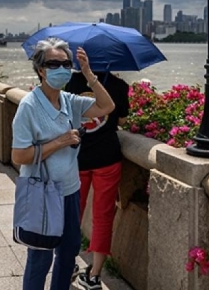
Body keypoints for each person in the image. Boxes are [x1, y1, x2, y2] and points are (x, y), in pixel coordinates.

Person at [12, 37, 115, 290]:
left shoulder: (69, 101)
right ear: (40, 70)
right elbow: (19, 156)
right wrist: (59, 142)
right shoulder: (29, 106)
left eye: (66, 64)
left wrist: (89, 74)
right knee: (40, 257)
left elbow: (106, 106)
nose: (61, 69)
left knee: (68, 253)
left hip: (69, 189)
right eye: (53, 64)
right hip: (42, 192)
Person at [65, 70, 130, 290]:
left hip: (77, 158)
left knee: (73, 212)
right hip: (108, 158)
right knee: (103, 217)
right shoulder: (119, 85)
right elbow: (121, 118)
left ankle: (67, 263)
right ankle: (94, 275)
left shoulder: (72, 81)